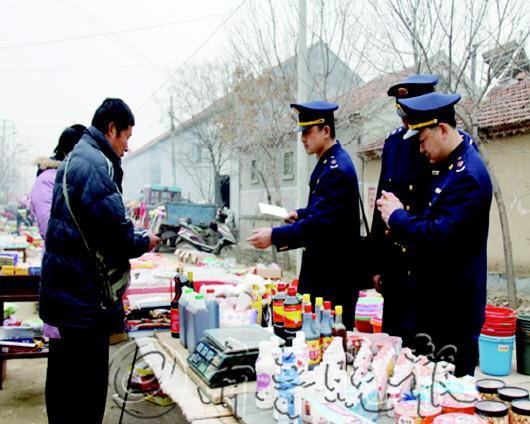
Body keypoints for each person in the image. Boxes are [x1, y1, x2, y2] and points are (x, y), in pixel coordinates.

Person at [40, 98, 161, 423]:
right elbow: (115, 234)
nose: (127, 147)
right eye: (126, 137)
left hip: (66, 292)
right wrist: (144, 241)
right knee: (88, 388)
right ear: (111, 129)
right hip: (84, 297)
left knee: (66, 380)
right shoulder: (96, 165)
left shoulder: (74, 159)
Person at [376, 92, 492, 376]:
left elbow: (439, 235)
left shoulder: (467, 176)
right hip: (432, 305)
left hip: (453, 313)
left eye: (422, 140)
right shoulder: (446, 166)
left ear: (442, 130)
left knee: (448, 391)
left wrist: (397, 216)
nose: (420, 149)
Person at [247, 101, 362, 328]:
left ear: (326, 131)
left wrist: (274, 235)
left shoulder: (336, 169)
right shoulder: (329, 162)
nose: (302, 139)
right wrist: (299, 215)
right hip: (324, 272)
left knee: (326, 339)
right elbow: (324, 211)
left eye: (308, 132)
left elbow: (320, 225)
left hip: (332, 277)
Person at [370, 75, 438, 339]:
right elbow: (381, 202)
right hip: (395, 265)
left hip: (427, 264)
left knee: (424, 344)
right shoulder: (394, 143)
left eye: (411, 116)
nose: (405, 123)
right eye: (402, 115)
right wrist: (377, 264)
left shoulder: (444, 145)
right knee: (391, 342)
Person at [30, 124, 86, 240]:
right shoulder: (47, 181)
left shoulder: (80, 177)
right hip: (63, 251)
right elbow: (49, 229)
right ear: (67, 153)